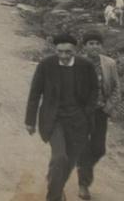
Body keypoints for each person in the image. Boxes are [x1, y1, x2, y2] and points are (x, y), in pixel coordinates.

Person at [25, 33, 99, 201]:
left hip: (78, 122)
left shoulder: (85, 65)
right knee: (59, 158)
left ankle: (56, 185)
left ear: (75, 50)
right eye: (60, 52)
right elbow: (35, 93)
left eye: (68, 52)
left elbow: (94, 91)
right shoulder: (46, 65)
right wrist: (30, 121)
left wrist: (87, 113)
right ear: (55, 49)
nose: (64, 56)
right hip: (54, 119)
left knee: (69, 162)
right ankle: (54, 196)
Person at [76, 31, 121, 200]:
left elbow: (116, 88)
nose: (94, 46)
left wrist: (109, 108)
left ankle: (82, 166)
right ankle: (83, 184)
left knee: (99, 149)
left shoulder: (109, 63)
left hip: (101, 111)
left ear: (101, 46)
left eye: (97, 43)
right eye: (90, 43)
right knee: (84, 147)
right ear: (85, 46)